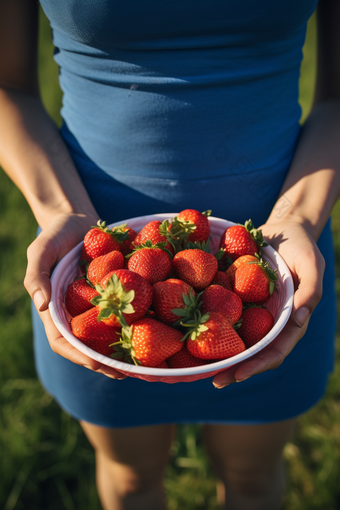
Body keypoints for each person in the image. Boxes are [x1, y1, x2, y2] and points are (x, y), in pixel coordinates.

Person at [0, 0, 339, 508]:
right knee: (130, 475)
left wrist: (299, 219)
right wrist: (60, 213)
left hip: (277, 264)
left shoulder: (273, 270)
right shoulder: (94, 286)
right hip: (96, 280)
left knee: (252, 473)